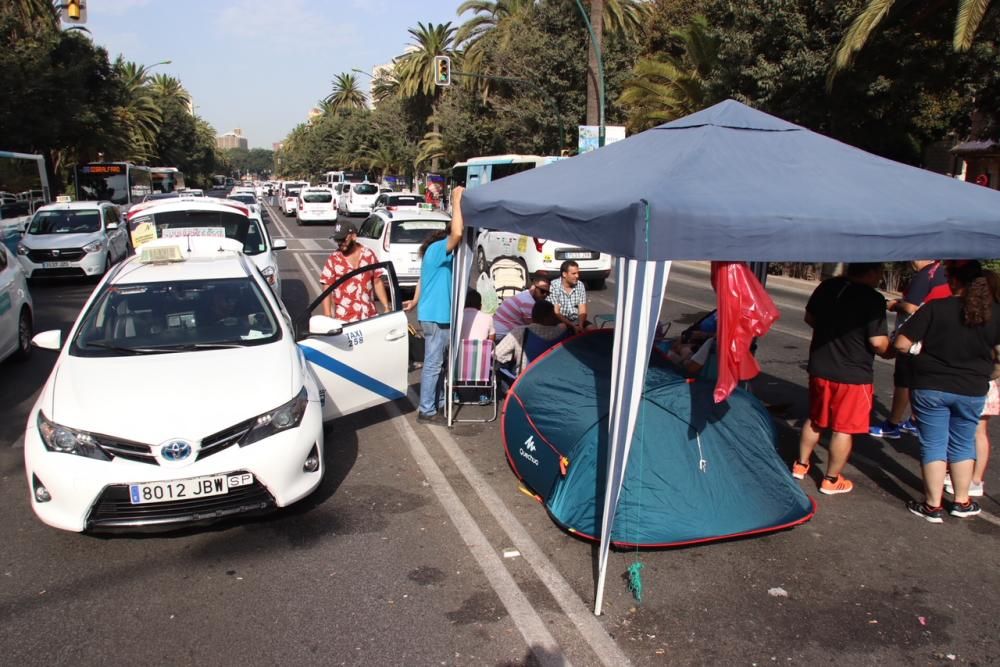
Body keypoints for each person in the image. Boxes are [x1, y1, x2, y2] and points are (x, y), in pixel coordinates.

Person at [896, 261, 1000, 522]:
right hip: (972, 388)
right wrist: (990, 373)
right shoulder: (994, 313)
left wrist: (916, 353)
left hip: (931, 385)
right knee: (963, 443)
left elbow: (901, 343)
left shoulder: (935, 308)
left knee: (933, 444)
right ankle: (962, 501)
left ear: (953, 281)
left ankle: (932, 506)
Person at [792, 263, 891, 495]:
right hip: (853, 374)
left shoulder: (828, 286)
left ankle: (801, 464)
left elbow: (809, 317)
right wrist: (893, 350)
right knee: (843, 429)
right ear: (871, 272)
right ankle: (831, 478)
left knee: (815, 419)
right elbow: (878, 342)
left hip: (820, 365)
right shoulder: (873, 299)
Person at [870, 260, 952, 439]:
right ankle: (915, 420)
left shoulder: (925, 275)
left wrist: (894, 305)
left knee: (903, 380)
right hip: (934, 335)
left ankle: (892, 423)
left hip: (914, 336)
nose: (910, 260)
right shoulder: (941, 272)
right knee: (919, 379)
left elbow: (911, 307)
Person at [408, 186, 466, 423]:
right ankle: (427, 410)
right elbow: (458, 234)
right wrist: (456, 202)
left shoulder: (432, 253)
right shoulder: (440, 248)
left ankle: (439, 403)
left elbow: (422, 280)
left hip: (433, 314)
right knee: (433, 364)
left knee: (438, 363)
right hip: (437, 316)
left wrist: (414, 301)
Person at [320, 221, 390, 323]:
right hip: (345, 319)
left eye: (343, 239)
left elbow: (377, 281)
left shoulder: (368, 255)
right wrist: (328, 315)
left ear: (353, 236)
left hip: (369, 317)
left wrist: (386, 307)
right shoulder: (334, 259)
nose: (340, 243)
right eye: (337, 240)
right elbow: (327, 290)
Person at [494, 300, 569, 372]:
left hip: (524, 379)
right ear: (552, 316)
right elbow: (562, 325)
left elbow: (497, 354)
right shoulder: (562, 331)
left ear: (532, 316)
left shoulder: (520, 331)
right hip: (553, 379)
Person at [492, 274, 552, 340]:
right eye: (542, 291)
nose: (545, 295)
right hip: (502, 336)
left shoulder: (526, 294)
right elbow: (535, 328)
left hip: (498, 329)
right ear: (533, 287)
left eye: (547, 293)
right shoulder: (528, 303)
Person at [548, 260, 588, 333]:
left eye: (578, 273)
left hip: (577, 320)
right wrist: (572, 326)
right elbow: (556, 312)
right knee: (562, 328)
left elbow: (582, 310)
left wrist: (580, 325)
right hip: (561, 320)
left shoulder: (580, 285)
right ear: (564, 274)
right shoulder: (554, 285)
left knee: (592, 329)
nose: (577, 276)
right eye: (573, 273)